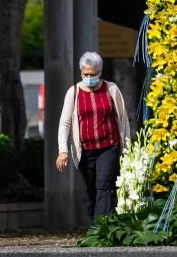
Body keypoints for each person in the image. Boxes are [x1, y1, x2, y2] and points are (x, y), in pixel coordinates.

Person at [56, 52, 130, 222]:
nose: (89, 77)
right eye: (86, 74)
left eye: (93, 74)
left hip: (108, 146)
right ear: (81, 73)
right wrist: (63, 150)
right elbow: (64, 123)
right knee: (92, 190)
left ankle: (101, 228)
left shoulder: (111, 89)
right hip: (85, 151)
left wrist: (126, 147)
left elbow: (123, 120)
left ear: (100, 73)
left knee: (103, 185)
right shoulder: (73, 92)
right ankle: (96, 223)